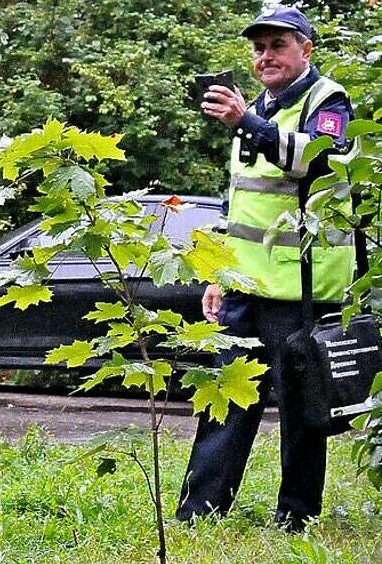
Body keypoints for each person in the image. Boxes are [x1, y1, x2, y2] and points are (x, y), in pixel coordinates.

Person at [176, 5, 355, 531]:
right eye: (259, 47)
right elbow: (241, 205)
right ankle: (199, 512)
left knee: (303, 413)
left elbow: (322, 158)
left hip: (302, 289)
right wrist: (218, 274)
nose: (265, 56)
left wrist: (246, 122)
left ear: (306, 49)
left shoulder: (328, 100)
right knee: (225, 399)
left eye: (278, 45)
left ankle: (296, 519)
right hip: (245, 288)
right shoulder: (256, 107)